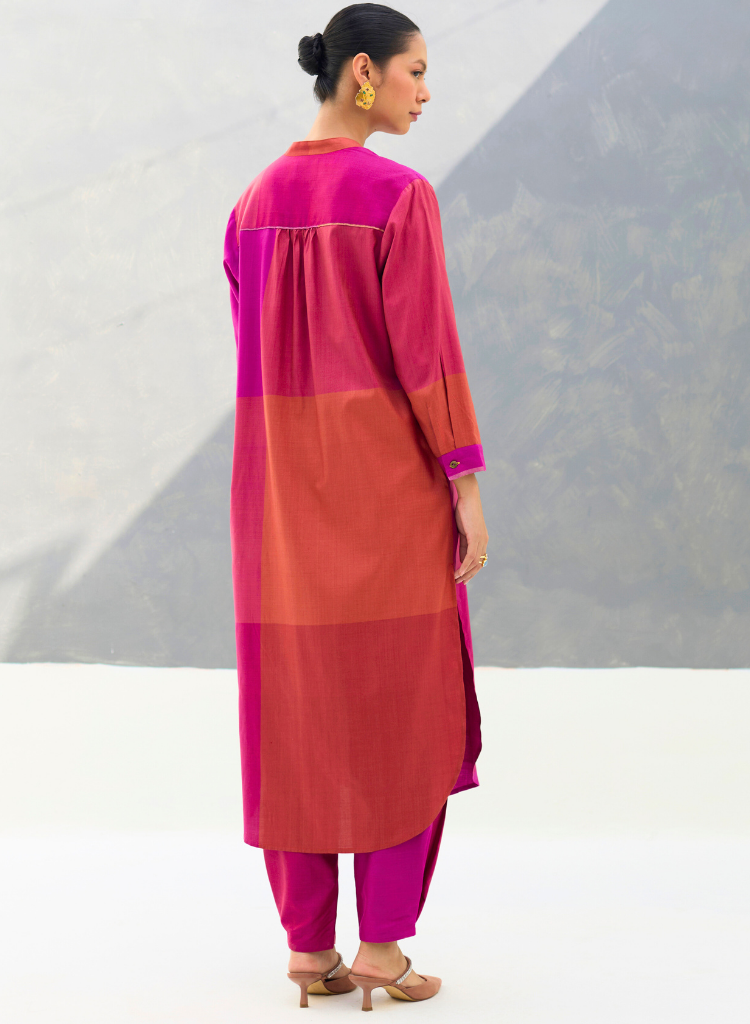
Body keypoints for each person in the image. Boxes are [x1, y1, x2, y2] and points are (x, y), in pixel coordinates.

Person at [222, 3, 489, 1010]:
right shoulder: (398, 196)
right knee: (402, 709)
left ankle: (308, 952)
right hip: (385, 500)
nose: (427, 92)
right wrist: (466, 485)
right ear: (365, 73)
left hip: (277, 508)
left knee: (294, 711)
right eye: (417, 71)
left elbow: (256, 348)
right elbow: (429, 358)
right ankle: (380, 949)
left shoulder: (250, 203)